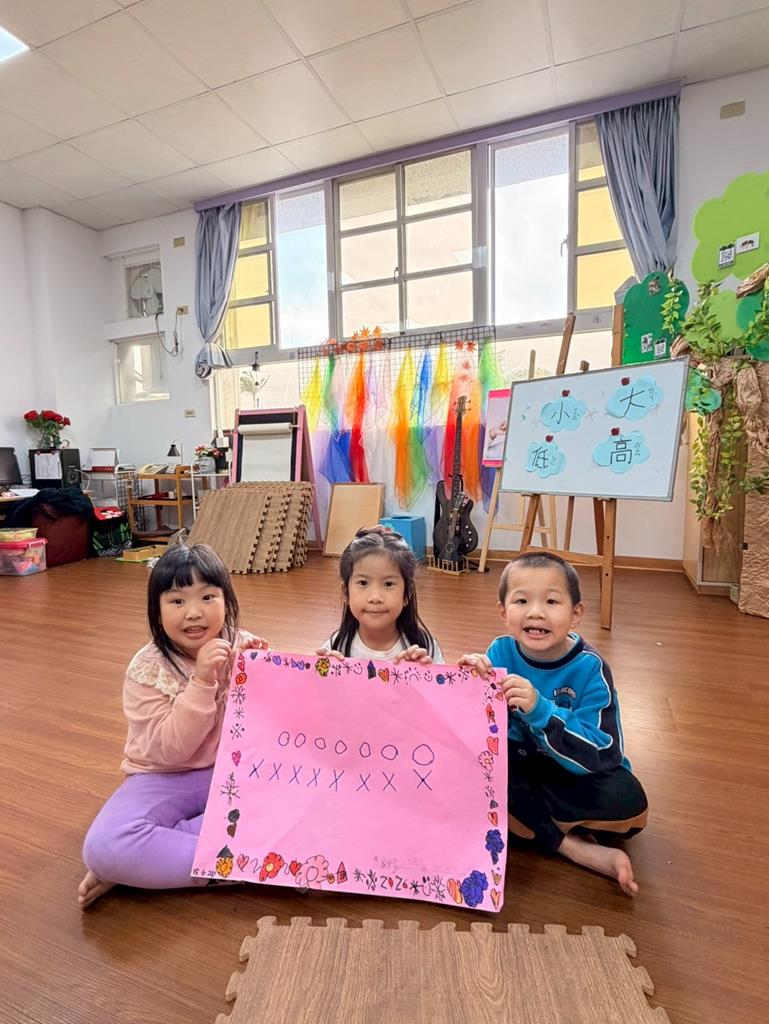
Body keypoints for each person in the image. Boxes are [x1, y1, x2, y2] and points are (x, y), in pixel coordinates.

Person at [77, 543, 268, 908]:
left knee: (304, 795)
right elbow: (172, 750)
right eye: (177, 601)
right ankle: (251, 862)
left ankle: (161, 856)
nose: (194, 613)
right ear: (157, 610)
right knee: (105, 848)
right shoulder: (146, 669)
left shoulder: (241, 645)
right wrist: (203, 681)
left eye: (207, 597)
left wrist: (264, 671)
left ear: (226, 601)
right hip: (163, 776)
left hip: (233, 772)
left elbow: (271, 726)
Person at [460, 551, 647, 896]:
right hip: (524, 769)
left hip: (576, 772)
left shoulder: (591, 668)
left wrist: (542, 711)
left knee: (629, 800)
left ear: (575, 614)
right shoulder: (500, 652)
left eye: (551, 601)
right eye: (521, 601)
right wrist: (470, 684)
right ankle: (572, 846)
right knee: (478, 777)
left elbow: (603, 753)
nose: (536, 612)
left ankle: (534, 823)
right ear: (503, 611)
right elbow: (483, 737)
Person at [318, 526, 444, 663]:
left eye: (388, 584)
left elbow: (446, 677)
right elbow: (312, 676)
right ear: (346, 592)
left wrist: (425, 670)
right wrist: (323, 671)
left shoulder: (424, 647)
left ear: (407, 593)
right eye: (363, 583)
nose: (375, 597)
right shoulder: (336, 646)